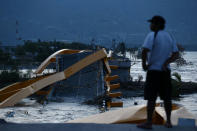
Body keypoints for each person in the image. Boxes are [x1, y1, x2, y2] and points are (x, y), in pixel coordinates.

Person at [137, 15, 179, 129]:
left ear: (157, 25)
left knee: (151, 98)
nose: (150, 25)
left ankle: (149, 122)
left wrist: (144, 65)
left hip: (153, 71)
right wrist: (166, 62)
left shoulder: (152, 35)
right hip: (165, 71)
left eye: (152, 23)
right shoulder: (169, 36)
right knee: (167, 98)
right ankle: (169, 122)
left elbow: (144, 51)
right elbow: (176, 54)